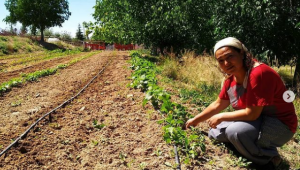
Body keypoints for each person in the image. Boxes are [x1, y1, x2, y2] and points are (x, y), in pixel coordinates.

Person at [185, 37, 298, 168]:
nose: (226, 63)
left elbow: (251, 114)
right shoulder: (231, 79)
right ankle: (244, 145)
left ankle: (268, 158)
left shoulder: (258, 73)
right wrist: (195, 120)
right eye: (221, 61)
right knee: (214, 132)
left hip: (280, 125)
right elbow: (218, 104)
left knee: (235, 132)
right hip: (259, 118)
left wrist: (221, 116)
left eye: (230, 57)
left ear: (242, 53)